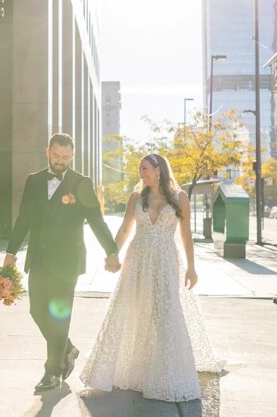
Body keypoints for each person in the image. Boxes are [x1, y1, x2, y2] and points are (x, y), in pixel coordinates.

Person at [79, 153, 224, 402]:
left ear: (158, 169)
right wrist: (112, 254)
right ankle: (135, 368)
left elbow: (186, 234)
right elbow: (125, 229)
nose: (141, 173)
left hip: (166, 260)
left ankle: (166, 373)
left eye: (144, 168)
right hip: (138, 260)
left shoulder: (179, 198)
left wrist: (192, 267)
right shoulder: (136, 197)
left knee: (165, 311)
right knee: (133, 309)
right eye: (140, 169)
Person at [3, 133, 120, 395]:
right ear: (48, 153)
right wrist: (11, 253)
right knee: (36, 310)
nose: (60, 161)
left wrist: (110, 250)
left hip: (67, 261)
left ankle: (52, 371)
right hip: (39, 259)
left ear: (73, 156)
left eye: (66, 158)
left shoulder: (81, 183)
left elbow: (96, 219)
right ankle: (67, 348)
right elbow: (24, 219)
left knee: (58, 316)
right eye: (56, 156)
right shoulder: (33, 181)